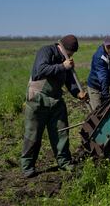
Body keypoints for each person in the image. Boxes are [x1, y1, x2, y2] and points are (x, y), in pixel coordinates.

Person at [21, 34, 88, 178]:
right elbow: (40, 70)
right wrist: (62, 66)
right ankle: (28, 166)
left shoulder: (66, 60)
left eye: (72, 54)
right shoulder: (46, 51)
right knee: (33, 133)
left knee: (61, 131)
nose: (70, 56)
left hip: (56, 100)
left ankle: (64, 161)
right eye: (69, 53)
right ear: (62, 47)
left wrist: (78, 93)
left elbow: (70, 80)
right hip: (38, 98)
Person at [87, 36, 110, 110]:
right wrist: (105, 94)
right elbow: (103, 76)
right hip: (95, 86)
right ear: (104, 45)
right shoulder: (99, 56)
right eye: (108, 47)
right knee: (98, 111)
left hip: (105, 84)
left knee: (106, 108)